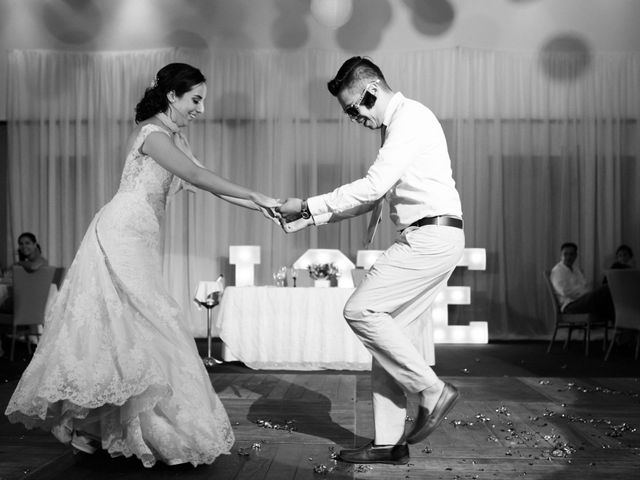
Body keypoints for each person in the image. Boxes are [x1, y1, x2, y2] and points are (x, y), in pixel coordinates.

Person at [5, 63, 279, 467]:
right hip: (120, 233)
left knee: (133, 329)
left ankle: (111, 427)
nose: (201, 109)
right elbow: (197, 176)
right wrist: (258, 195)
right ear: (172, 96)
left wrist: (265, 206)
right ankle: (88, 420)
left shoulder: (175, 137)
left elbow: (204, 181)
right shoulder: (152, 134)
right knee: (140, 322)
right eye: (195, 99)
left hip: (141, 238)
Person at [278, 56, 465, 465]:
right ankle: (388, 443)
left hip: (429, 236)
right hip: (435, 235)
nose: (353, 118)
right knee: (387, 342)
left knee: (360, 310)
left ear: (372, 92)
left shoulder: (409, 119)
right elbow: (373, 199)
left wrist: (308, 204)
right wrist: (308, 215)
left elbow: (371, 187)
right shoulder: (398, 126)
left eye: (352, 108)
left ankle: (431, 391)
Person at [550, 242, 614, 318]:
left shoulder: (576, 269)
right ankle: (618, 324)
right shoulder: (558, 270)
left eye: (571, 254)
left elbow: (584, 285)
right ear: (561, 255)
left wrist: (588, 295)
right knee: (605, 289)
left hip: (581, 301)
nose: (568, 257)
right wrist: (587, 295)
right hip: (569, 305)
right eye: (565, 254)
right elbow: (565, 291)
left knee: (609, 294)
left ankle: (618, 324)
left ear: (575, 256)